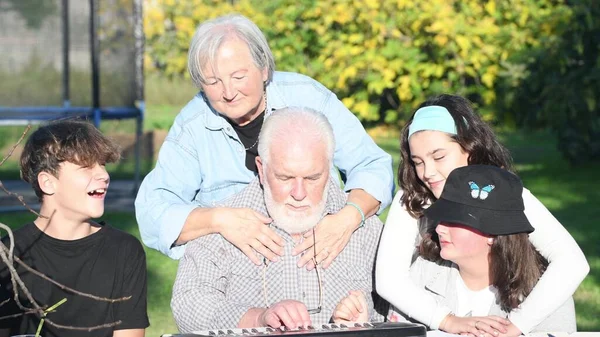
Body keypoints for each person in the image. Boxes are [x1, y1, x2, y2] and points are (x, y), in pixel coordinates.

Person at [135, 14, 393, 265]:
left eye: (238, 77)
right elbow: (152, 213)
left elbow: (373, 167)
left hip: (321, 261)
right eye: (213, 81)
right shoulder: (192, 126)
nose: (228, 92)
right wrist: (219, 219)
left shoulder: (309, 98)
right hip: (241, 276)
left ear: (264, 69)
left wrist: (346, 219)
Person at [376, 95, 589, 336]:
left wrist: (517, 325)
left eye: (438, 157)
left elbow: (571, 262)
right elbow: (389, 279)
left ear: (469, 147)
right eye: (418, 162)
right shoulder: (414, 197)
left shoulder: (503, 192)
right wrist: (447, 320)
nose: (428, 172)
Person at [170, 108, 384, 332]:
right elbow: (188, 303)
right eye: (285, 177)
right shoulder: (224, 223)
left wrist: (362, 321)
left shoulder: (362, 227)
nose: (299, 193)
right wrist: (258, 320)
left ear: (328, 168)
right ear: (262, 169)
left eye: (312, 177)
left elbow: (398, 311)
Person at [349, 166, 576, 333]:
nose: (439, 228)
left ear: (493, 234)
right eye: (441, 218)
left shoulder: (547, 295)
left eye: (455, 221)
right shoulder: (420, 278)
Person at [0, 120, 149, 337]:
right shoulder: (10, 256)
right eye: (86, 166)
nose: (104, 176)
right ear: (48, 183)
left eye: (103, 165)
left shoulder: (124, 251)